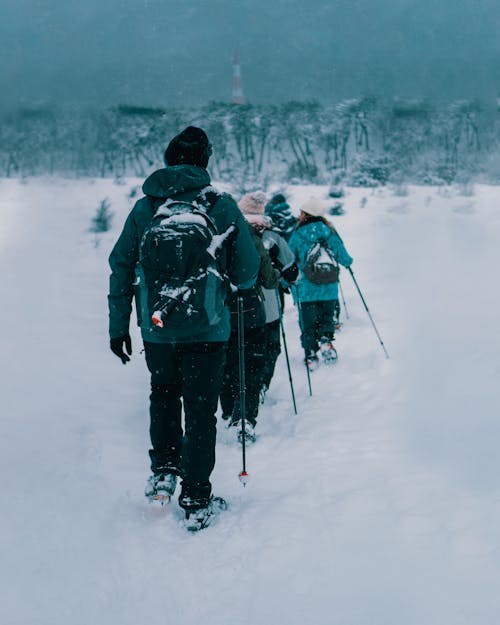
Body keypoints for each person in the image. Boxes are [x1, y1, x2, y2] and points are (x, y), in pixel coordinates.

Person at [108, 126, 260, 530]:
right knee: (200, 408)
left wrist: (118, 326)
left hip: (157, 328)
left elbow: (121, 266)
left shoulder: (146, 208)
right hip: (208, 329)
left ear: (168, 158)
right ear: (204, 161)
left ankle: (163, 472)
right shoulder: (221, 205)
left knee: (163, 393)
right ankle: (195, 497)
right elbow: (247, 272)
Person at [219, 192, 280, 443]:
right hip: (251, 311)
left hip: (221, 312)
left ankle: (227, 410)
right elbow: (268, 278)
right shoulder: (253, 239)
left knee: (225, 362)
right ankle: (244, 417)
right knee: (251, 366)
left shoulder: (216, 236)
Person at [288, 198, 353, 370]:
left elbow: (289, 259)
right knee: (326, 317)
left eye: (302, 212)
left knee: (307, 323)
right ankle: (326, 340)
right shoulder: (329, 232)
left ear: (307, 214)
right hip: (329, 287)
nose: (299, 215)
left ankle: (310, 354)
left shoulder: (297, 235)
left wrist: (285, 280)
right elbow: (343, 256)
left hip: (306, 288)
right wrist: (348, 263)